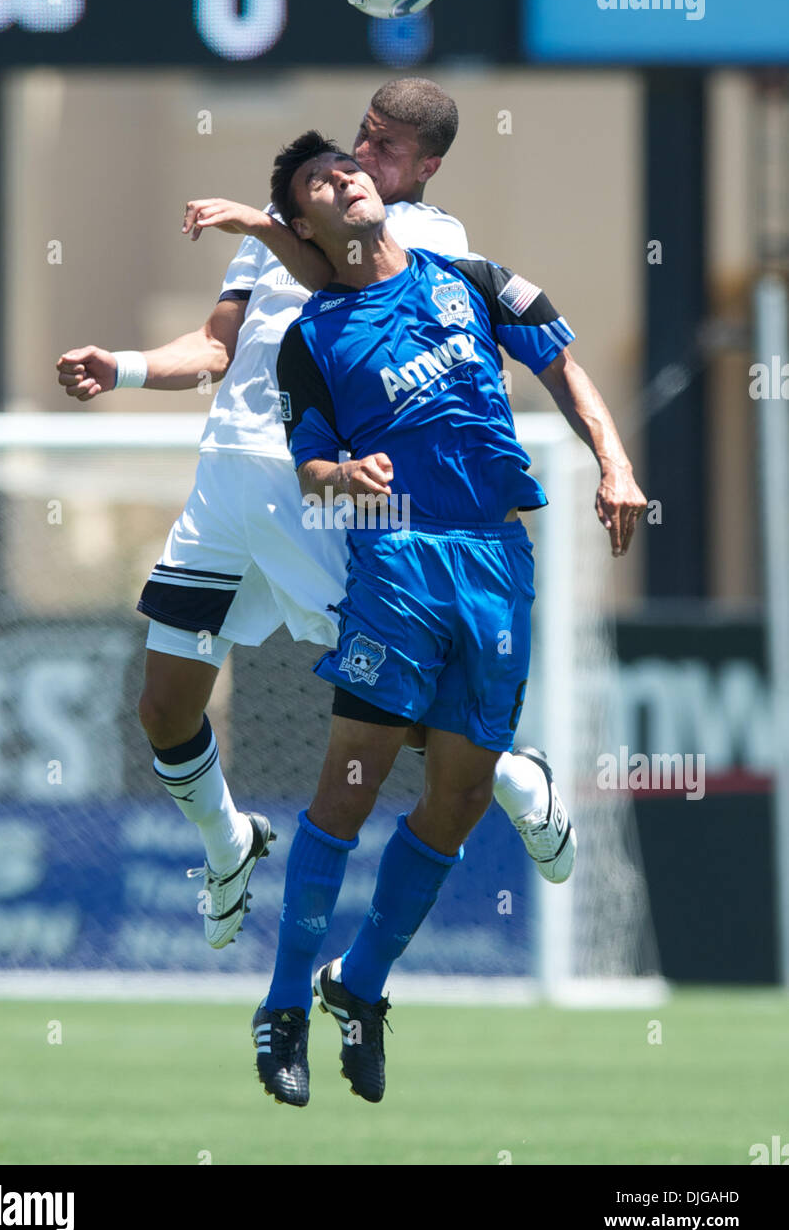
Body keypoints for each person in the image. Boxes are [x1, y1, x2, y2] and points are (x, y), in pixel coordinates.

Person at [56, 80, 572, 951]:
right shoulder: (285, 223)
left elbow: (339, 269)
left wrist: (269, 227)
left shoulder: (425, 235)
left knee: (389, 695)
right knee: (163, 705)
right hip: (226, 479)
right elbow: (218, 347)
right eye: (359, 142)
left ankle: (517, 775)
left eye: (387, 149)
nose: (365, 159)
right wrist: (127, 366)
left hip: (318, 492)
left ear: (427, 166)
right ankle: (229, 843)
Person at [253, 133, 647, 1107]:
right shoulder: (314, 336)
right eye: (319, 182)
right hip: (396, 561)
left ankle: (359, 984)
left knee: (461, 797)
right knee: (349, 787)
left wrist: (614, 461)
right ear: (303, 225)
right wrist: (341, 477)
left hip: (495, 559)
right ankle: (280, 1008)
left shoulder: (471, 278)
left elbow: (562, 367)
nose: (345, 177)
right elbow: (309, 468)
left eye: (347, 165)